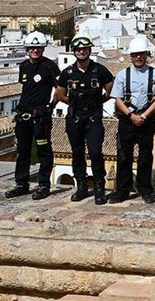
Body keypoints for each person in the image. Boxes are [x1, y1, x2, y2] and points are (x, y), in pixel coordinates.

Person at [55, 35, 114, 204]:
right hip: (75, 117)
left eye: (84, 49)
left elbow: (110, 90)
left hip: (93, 117)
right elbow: (60, 94)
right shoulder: (67, 73)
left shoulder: (100, 70)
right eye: (78, 49)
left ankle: (99, 188)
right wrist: (75, 103)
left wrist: (97, 102)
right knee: (77, 152)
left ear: (89, 50)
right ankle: (81, 186)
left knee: (95, 152)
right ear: (74, 52)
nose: (81, 52)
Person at [5, 32, 59, 200]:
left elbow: (60, 88)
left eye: (38, 48)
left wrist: (51, 105)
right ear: (27, 49)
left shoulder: (50, 66)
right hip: (23, 115)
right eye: (32, 47)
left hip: (40, 116)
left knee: (44, 150)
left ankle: (43, 185)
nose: (35, 50)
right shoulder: (23, 66)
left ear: (43, 49)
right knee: (23, 150)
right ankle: (21, 184)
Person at [109, 34, 155, 204]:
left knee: (145, 156)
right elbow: (117, 98)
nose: (138, 57)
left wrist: (145, 115)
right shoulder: (122, 75)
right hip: (127, 119)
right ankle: (122, 190)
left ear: (146, 55)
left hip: (147, 118)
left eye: (141, 54)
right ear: (131, 56)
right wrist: (130, 115)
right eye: (135, 54)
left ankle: (145, 189)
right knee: (124, 155)